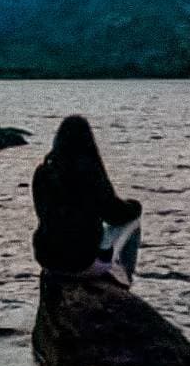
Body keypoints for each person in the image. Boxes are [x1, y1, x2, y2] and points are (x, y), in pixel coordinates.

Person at [31, 115, 141, 287]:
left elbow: (42, 213)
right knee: (133, 222)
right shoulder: (89, 171)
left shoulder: (43, 172)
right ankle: (124, 277)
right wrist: (135, 207)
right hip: (82, 263)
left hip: (47, 259)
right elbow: (113, 213)